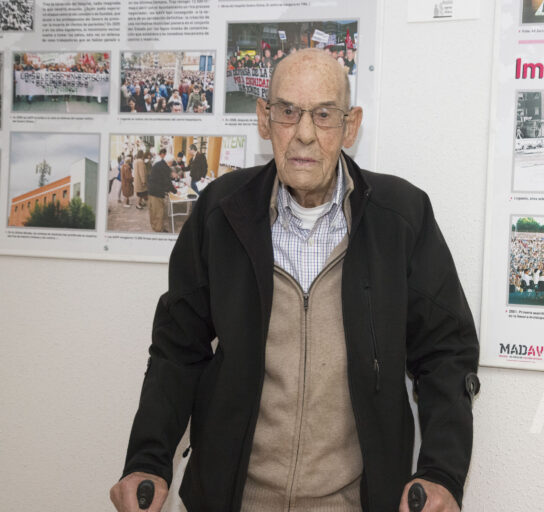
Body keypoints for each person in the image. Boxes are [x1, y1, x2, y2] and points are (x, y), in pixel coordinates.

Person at [111, 48, 479, 512]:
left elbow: (446, 351)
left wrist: (441, 472)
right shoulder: (222, 212)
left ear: (351, 125)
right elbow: (177, 348)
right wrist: (148, 457)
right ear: (264, 120)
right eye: (288, 112)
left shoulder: (401, 217)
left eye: (324, 115)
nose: (304, 134)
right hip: (231, 499)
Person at [146, 148, 177, 232]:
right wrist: (176, 191)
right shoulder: (165, 167)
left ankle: (154, 226)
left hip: (151, 190)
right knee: (159, 212)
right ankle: (159, 229)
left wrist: (170, 174)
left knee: (153, 211)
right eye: (171, 163)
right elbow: (168, 183)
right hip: (156, 192)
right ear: (169, 162)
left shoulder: (160, 164)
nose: (171, 165)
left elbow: (164, 174)